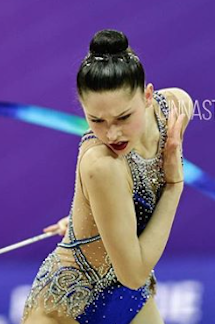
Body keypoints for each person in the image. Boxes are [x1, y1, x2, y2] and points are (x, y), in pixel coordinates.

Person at [22, 29, 192, 324]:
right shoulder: (101, 164)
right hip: (68, 307)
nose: (112, 133)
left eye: (124, 117)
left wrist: (99, 215)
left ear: (148, 96)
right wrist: (174, 186)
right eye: (96, 120)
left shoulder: (176, 107)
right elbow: (134, 273)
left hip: (129, 303)